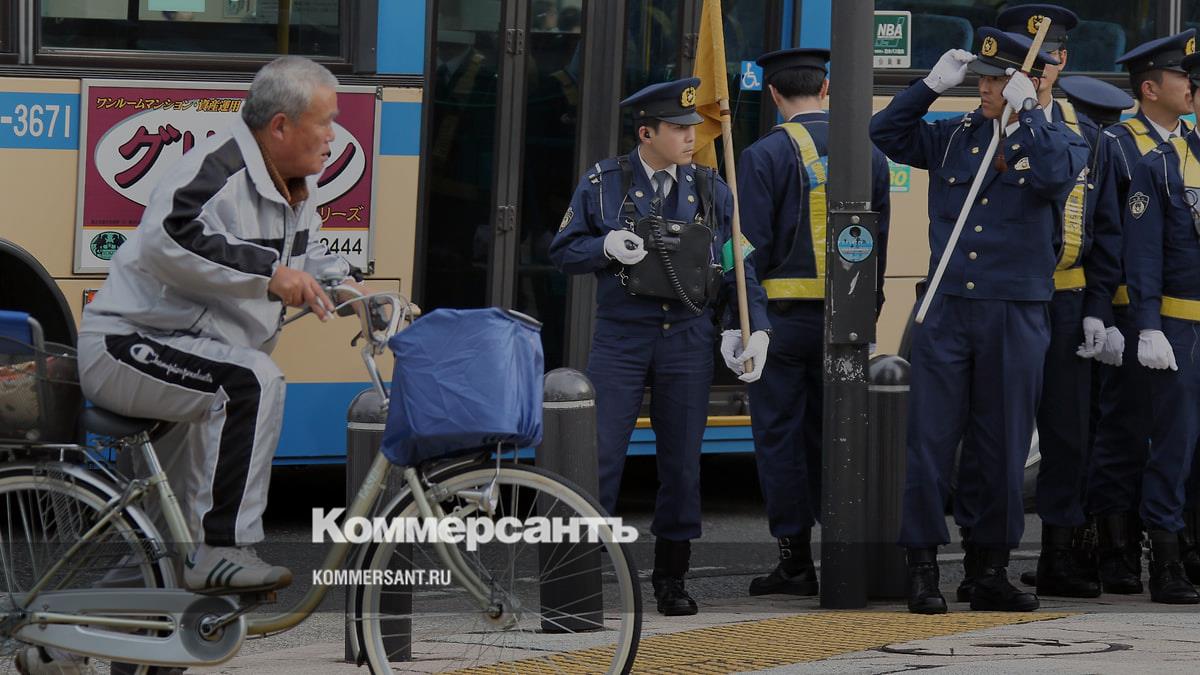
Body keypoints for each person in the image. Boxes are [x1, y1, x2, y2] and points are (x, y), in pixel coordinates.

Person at [77, 56, 354, 594]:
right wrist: (270, 275)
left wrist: (348, 288)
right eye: (325, 122)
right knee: (251, 381)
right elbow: (168, 236)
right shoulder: (217, 167)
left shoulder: (295, 187)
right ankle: (223, 548)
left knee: (164, 547)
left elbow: (305, 259)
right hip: (127, 344)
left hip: (188, 357)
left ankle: (99, 623)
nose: (332, 135)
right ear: (281, 125)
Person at [870, 28, 1089, 614]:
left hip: (1013, 313)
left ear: (1029, 82)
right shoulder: (956, 136)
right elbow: (886, 133)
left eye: (997, 80)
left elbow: (1052, 177)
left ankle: (988, 569)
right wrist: (928, 88)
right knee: (929, 443)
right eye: (983, 79)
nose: (985, 89)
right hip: (946, 309)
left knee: (1003, 445)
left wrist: (1030, 112)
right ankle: (921, 568)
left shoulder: (1061, 139)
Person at [549, 77, 769, 616]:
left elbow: (737, 266)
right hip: (622, 337)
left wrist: (750, 327)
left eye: (693, 127)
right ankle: (580, 577)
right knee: (600, 457)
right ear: (646, 133)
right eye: (678, 128)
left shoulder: (712, 188)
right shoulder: (605, 182)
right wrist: (604, 245)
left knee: (682, 463)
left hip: (687, 338)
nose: (691, 137)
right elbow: (564, 251)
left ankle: (672, 578)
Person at [955, 4, 1112, 602]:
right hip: (1001, 299)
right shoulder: (977, 126)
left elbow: (1106, 229)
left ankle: (1059, 555)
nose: (1026, 72)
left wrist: (1098, 306)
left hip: (1064, 299)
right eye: (1017, 61)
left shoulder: (1085, 133)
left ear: (1059, 62)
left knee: (1066, 435)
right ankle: (979, 558)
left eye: (1040, 61)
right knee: (991, 431)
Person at [734, 48, 890, 596]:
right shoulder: (870, 154)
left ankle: (795, 562)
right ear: (826, 90)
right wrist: (867, 314)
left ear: (773, 94)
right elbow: (880, 242)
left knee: (780, 439)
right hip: (845, 325)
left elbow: (745, 249)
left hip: (779, 325)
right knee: (841, 437)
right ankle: (848, 553)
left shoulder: (762, 155)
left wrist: (744, 321)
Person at [1087, 29, 1196, 595]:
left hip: (1175, 311)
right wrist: (1104, 313)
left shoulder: (1189, 146)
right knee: (1125, 431)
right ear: (1150, 87)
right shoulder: (1119, 143)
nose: (1190, 86)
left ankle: (1176, 549)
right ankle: (1118, 551)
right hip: (1135, 311)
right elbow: (1110, 235)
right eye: (1182, 76)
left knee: (1181, 437)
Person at [1121, 48, 1200, 604]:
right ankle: (1167, 561)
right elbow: (1143, 255)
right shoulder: (1163, 165)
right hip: (1182, 328)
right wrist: (1147, 324)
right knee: (1174, 445)